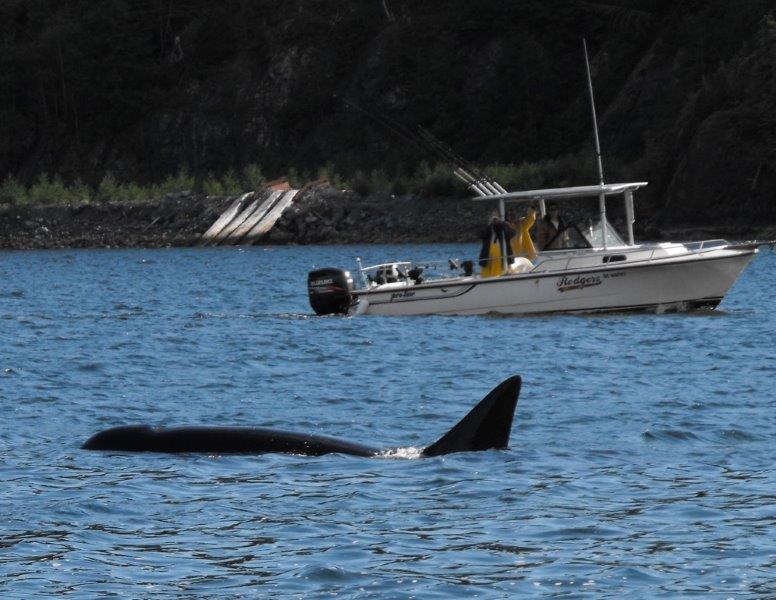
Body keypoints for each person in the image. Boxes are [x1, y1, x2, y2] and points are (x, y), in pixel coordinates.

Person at [479, 212, 515, 278]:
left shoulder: (505, 227)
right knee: (485, 275)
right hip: (488, 257)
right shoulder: (488, 228)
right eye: (493, 217)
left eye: (496, 217)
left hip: (503, 258)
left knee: (504, 270)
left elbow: (511, 234)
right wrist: (490, 226)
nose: (495, 220)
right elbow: (481, 235)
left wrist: (503, 225)